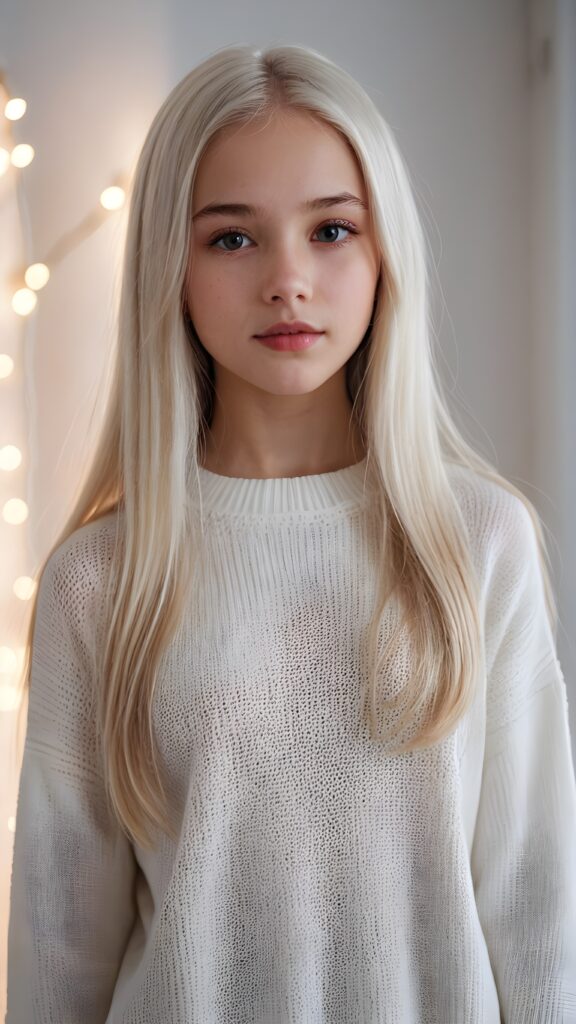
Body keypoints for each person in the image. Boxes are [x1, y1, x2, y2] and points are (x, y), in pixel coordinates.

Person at [6, 42, 576, 1024]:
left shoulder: (482, 541)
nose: (288, 280)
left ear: (384, 248)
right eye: (233, 238)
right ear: (168, 264)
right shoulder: (100, 579)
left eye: (331, 230)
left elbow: (537, 917)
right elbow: (60, 951)